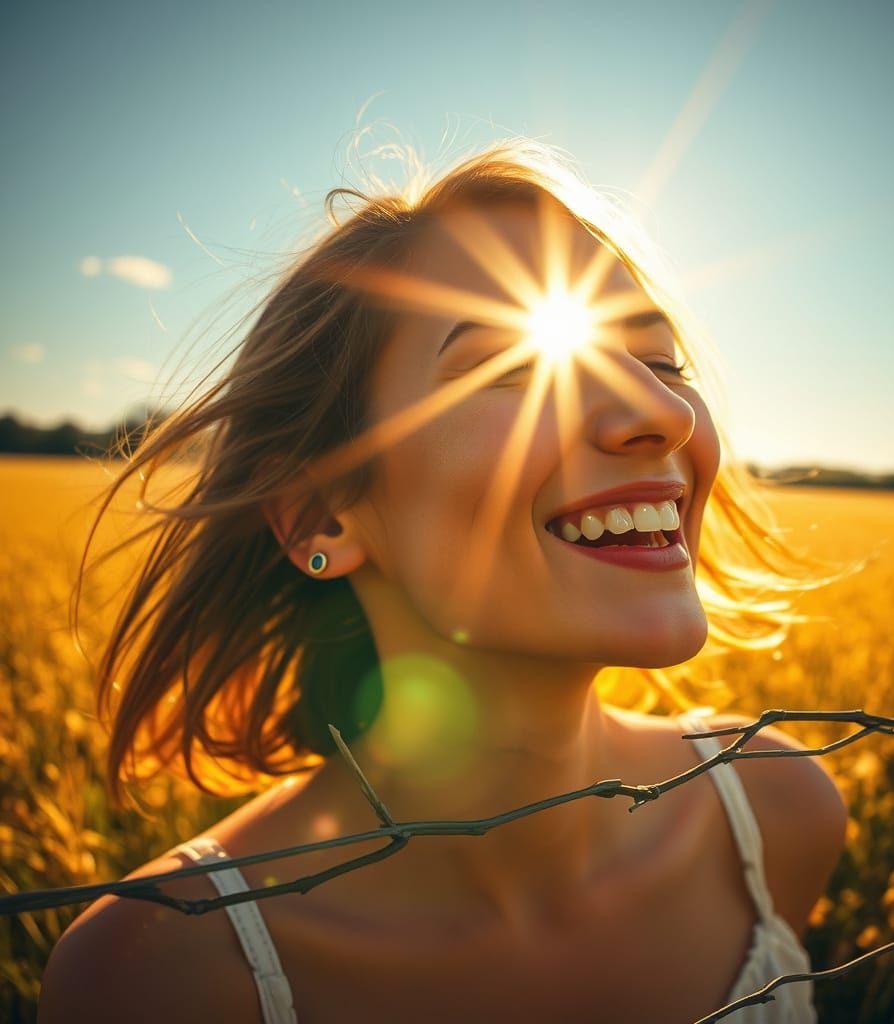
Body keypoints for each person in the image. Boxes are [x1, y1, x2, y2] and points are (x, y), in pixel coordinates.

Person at [39, 139, 851, 1022]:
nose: (661, 412)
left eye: (660, 363)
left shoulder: (778, 813)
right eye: (514, 369)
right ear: (321, 517)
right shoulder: (162, 977)